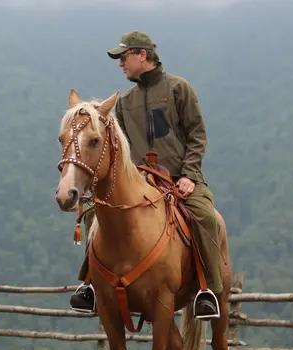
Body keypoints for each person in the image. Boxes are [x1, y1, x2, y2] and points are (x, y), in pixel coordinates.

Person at [69, 31, 221, 320]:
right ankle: (88, 285)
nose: (120, 64)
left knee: (205, 216)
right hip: (140, 181)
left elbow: (197, 135)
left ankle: (207, 290)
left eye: (123, 57)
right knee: (94, 215)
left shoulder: (179, 88)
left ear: (142, 55)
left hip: (180, 179)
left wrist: (189, 174)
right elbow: (118, 153)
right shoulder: (125, 102)